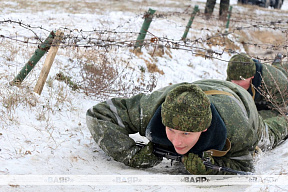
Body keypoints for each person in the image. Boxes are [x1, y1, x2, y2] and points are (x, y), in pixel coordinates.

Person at [86, 79, 288, 175]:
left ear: (205, 129)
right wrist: (131, 154)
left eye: (186, 133)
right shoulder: (150, 108)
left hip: (238, 98)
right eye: (170, 130)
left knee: (270, 135)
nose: (177, 142)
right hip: (202, 87)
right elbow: (99, 114)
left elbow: (244, 167)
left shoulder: (239, 130)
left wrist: (209, 169)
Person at [226, 53, 288, 119]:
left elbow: (280, 112)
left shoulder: (277, 84)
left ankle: (277, 62)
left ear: (252, 76)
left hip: (281, 79)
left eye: (239, 81)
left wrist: (252, 118)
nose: (235, 84)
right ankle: (277, 62)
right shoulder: (233, 75)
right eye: (233, 80)